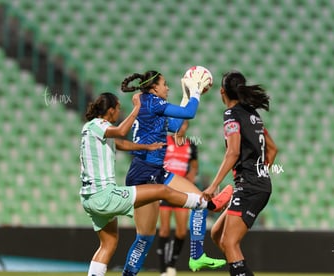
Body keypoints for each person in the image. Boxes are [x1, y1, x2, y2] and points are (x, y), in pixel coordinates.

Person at [80, 92, 233, 276]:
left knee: (108, 243)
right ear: (110, 110)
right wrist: (136, 107)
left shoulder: (89, 129)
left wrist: (145, 147)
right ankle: (206, 203)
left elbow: (120, 143)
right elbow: (121, 131)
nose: (120, 111)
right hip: (105, 195)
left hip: (90, 198)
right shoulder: (100, 124)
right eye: (119, 108)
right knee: (162, 191)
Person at [120, 70, 232, 276]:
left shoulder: (151, 104)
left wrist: (185, 97)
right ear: (154, 88)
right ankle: (128, 274)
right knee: (145, 237)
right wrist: (196, 92)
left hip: (157, 172)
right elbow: (189, 114)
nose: (167, 87)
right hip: (143, 174)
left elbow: (177, 125)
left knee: (200, 200)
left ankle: (197, 256)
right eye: (164, 84)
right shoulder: (152, 102)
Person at [202, 71, 278, 276]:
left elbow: (233, 152)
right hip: (255, 185)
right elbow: (272, 149)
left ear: (222, 92)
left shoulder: (231, 114)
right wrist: (260, 173)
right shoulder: (253, 114)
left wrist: (212, 185)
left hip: (250, 187)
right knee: (218, 235)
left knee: (229, 241)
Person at [156, 120, 198, 276]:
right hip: (165, 189)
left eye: (184, 124)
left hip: (182, 192)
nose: (181, 128)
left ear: (187, 126)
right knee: (164, 229)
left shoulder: (191, 145)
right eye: (179, 124)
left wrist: (190, 178)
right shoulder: (164, 142)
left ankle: (172, 263)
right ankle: (163, 269)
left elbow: (194, 165)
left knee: (181, 231)